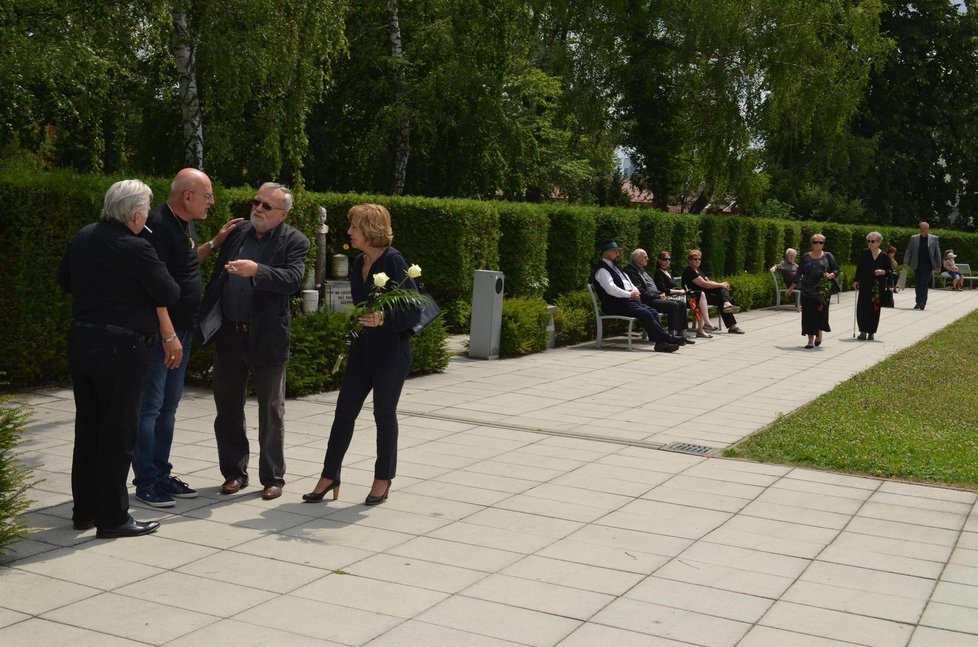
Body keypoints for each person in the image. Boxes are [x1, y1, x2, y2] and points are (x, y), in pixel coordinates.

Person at [57, 179, 180, 538]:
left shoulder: (84, 237)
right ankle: (113, 518)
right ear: (137, 213)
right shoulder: (136, 247)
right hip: (121, 348)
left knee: (89, 428)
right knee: (117, 433)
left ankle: (85, 511)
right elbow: (168, 291)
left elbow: (64, 280)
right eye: (146, 210)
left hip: (82, 340)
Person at [133, 169, 242, 508]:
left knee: (168, 406)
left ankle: (162, 473)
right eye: (207, 195)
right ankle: (146, 481)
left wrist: (214, 244)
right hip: (161, 335)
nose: (212, 201)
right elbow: (150, 286)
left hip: (182, 330)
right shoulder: (157, 226)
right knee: (150, 408)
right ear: (187, 196)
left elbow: (184, 263)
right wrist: (168, 335)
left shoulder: (185, 224)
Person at [197, 182, 310, 501]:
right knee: (227, 406)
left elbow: (292, 280)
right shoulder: (237, 232)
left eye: (266, 206)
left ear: (283, 214)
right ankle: (233, 472)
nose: (257, 209)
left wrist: (257, 270)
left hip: (267, 336)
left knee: (271, 409)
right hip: (229, 334)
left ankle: (273, 476)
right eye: (256, 202)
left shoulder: (294, 240)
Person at [304, 204, 422, 506]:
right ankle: (330, 476)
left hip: (391, 354)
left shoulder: (395, 261)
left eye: (354, 226)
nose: (349, 231)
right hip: (363, 350)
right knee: (343, 414)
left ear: (369, 229)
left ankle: (383, 479)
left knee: (384, 416)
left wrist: (384, 317)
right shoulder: (359, 263)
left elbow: (413, 311)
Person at [591, 241, 685, 352]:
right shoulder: (602, 270)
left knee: (653, 312)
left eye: (618, 251)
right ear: (606, 254)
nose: (618, 254)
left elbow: (629, 283)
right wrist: (629, 294)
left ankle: (661, 342)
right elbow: (611, 289)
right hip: (614, 304)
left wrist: (634, 291)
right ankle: (666, 339)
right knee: (645, 313)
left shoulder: (616, 268)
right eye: (615, 252)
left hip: (628, 301)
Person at [624, 248, 693, 342]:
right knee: (673, 305)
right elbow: (641, 292)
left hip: (655, 297)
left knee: (681, 303)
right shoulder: (631, 271)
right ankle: (672, 335)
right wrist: (658, 296)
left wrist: (660, 294)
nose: (648, 259)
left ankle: (682, 335)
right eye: (645, 257)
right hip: (646, 301)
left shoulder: (643, 270)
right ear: (637, 259)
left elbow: (653, 287)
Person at [786, 234, 839, 349]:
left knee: (821, 315)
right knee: (808, 316)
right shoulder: (806, 257)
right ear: (812, 243)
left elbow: (836, 269)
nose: (818, 244)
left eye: (820, 242)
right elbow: (799, 272)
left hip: (822, 292)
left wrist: (831, 275)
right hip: (807, 291)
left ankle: (819, 333)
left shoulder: (828, 256)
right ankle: (810, 340)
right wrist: (791, 287)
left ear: (823, 244)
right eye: (815, 242)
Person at [681, 249, 745, 334]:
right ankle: (731, 323)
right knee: (721, 294)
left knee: (722, 293)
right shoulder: (689, 271)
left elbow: (709, 281)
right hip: (695, 298)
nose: (697, 261)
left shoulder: (699, 271)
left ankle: (727, 305)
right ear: (689, 260)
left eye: (699, 259)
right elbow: (704, 284)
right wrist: (721, 284)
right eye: (695, 259)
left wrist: (722, 284)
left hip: (704, 295)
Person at [654, 251, 714, 338]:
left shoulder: (669, 272)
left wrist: (681, 290)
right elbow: (662, 289)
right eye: (664, 259)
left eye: (669, 259)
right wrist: (678, 291)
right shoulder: (658, 272)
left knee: (700, 298)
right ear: (659, 260)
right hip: (669, 297)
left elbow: (674, 286)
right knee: (700, 297)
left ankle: (702, 329)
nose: (667, 261)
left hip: (678, 295)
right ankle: (705, 324)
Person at [852, 231, 893, 341]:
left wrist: (883, 272)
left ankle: (871, 332)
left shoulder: (884, 256)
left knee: (874, 309)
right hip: (865, 284)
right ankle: (862, 331)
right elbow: (859, 268)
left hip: (877, 287)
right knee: (862, 307)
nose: (870, 243)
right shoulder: (865, 253)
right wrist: (856, 280)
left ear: (879, 242)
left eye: (872, 241)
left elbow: (890, 271)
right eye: (868, 241)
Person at [903, 221, 941, 310]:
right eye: (921, 229)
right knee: (918, 284)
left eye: (925, 229)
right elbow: (909, 251)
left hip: (927, 265)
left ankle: (922, 302)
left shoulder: (934, 239)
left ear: (928, 229)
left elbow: (937, 252)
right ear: (919, 229)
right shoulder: (914, 238)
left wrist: (938, 265)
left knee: (924, 283)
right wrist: (906, 262)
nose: (923, 230)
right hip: (917, 264)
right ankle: (918, 302)